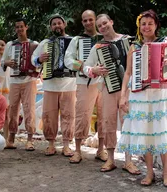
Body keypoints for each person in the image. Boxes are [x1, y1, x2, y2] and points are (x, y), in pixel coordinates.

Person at [82, 14, 140, 174]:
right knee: (108, 122)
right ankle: (111, 159)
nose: (103, 27)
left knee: (127, 122)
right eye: (99, 25)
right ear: (98, 29)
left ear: (111, 22)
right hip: (108, 89)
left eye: (105, 23)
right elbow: (85, 67)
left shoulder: (130, 41)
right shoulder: (97, 47)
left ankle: (129, 161)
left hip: (129, 90)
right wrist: (93, 70)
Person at [118, 10, 167, 186]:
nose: (146, 27)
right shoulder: (134, 47)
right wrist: (123, 96)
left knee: (161, 132)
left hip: (159, 95)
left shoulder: (165, 43)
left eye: (150, 23)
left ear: (156, 26)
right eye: (143, 23)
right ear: (139, 26)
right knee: (145, 133)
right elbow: (128, 73)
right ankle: (149, 173)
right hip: (139, 94)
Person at [64, 10, 107, 163]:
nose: (88, 23)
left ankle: (101, 150)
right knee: (82, 115)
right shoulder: (77, 40)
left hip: (104, 83)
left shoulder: (105, 37)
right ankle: (77, 151)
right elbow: (68, 60)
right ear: (82, 22)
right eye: (85, 20)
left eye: (90, 19)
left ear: (95, 20)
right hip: (84, 82)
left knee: (104, 116)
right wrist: (81, 66)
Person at [31, 14, 76, 156]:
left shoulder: (74, 41)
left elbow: (79, 59)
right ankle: (50, 144)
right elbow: (33, 60)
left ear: (65, 24)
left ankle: (67, 145)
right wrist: (39, 59)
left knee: (68, 115)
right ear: (51, 27)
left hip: (69, 84)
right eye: (54, 24)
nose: (57, 26)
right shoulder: (45, 43)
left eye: (59, 23)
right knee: (49, 115)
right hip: (50, 85)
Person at [2, 18, 38, 151]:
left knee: (30, 109)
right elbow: (3, 60)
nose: (19, 29)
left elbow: (39, 62)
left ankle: (30, 139)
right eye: (17, 27)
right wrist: (8, 63)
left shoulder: (34, 44)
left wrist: (36, 69)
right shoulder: (10, 44)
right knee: (13, 109)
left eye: (21, 26)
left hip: (29, 80)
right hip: (14, 80)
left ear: (26, 27)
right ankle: (11, 138)